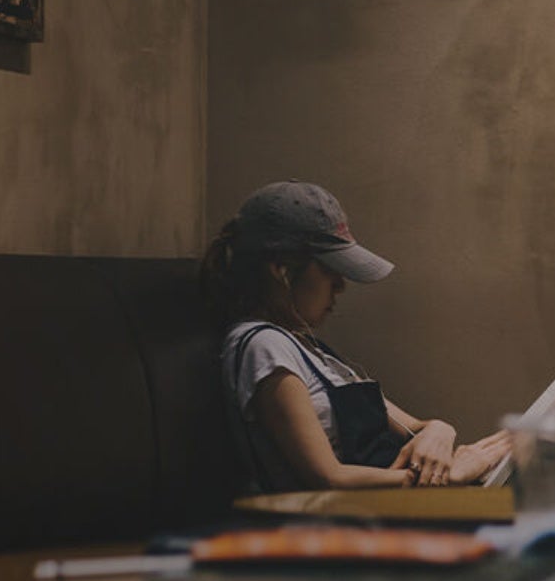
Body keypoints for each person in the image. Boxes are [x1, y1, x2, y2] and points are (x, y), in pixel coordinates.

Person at [201, 179, 509, 492]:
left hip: (391, 506)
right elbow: (327, 478)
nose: (341, 285)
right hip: (338, 522)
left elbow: (416, 427)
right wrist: (447, 476)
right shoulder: (263, 346)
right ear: (281, 269)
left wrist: (441, 432)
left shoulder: (309, 349)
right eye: (329, 269)